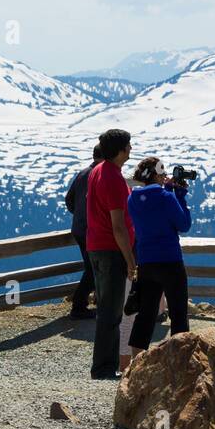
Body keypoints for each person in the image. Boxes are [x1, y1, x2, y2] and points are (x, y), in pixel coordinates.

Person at [126, 158, 192, 359]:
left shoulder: (132, 199)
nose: (165, 178)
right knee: (178, 312)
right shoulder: (167, 197)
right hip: (170, 260)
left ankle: (136, 362)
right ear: (155, 175)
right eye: (163, 175)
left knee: (146, 314)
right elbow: (183, 225)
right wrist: (179, 196)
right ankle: (179, 361)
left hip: (146, 261)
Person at [86, 128, 138, 379]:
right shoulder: (114, 179)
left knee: (108, 309)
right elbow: (118, 225)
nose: (130, 149)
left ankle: (107, 365)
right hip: (111, 250)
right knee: (111, 312)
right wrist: (130, 260)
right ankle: (104, 368)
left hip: (96, 246)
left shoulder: (99, 171)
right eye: (128, 145)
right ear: (120, 149)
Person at [63, 146, 100, 319]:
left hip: (79, 228)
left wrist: (78, 214)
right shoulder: (99, 175)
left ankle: (86, 303)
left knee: (91, 267)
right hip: (90, 230)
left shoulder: (83, 173)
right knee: (94, 269)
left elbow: (69, 199)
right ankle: (78, 306)